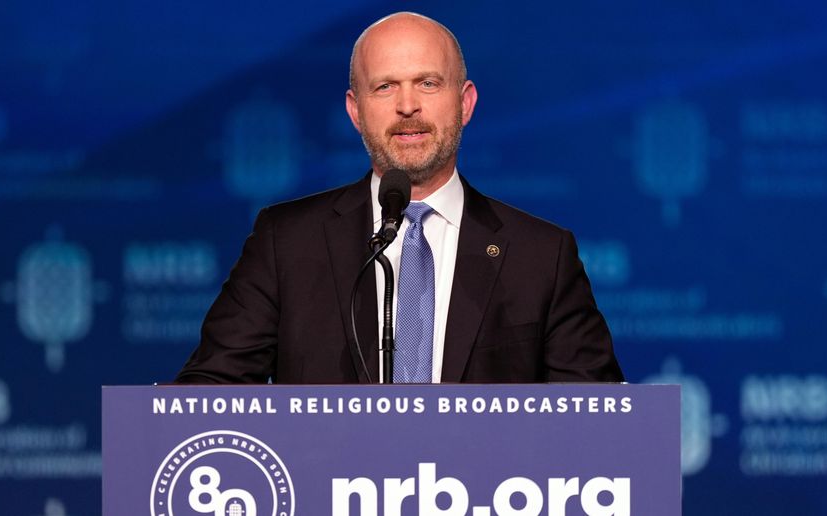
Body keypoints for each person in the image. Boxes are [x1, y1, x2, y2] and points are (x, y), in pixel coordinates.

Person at [175, 12, 623, 384]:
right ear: (355, 110)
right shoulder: (285, 242)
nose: (407, 105)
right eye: (385, 87)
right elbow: (209, 393)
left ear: (464, 103)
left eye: (428, 83)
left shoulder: (541, 256)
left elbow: (598, 421)